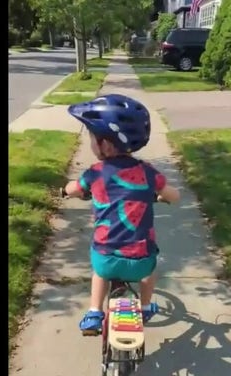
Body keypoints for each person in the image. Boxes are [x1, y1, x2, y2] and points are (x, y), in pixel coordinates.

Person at [61, 94, 181, 335]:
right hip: (140, 261)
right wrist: (162, 197)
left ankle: (95, 311)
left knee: (99, 273)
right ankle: (146, 306)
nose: (92, 143)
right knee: (149, 274)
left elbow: (74, 189)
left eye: (92, 138)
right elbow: (174, 195)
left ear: (105, 144)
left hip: (106, 258)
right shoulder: (147, 172)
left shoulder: (95, 173)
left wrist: (64, 190)